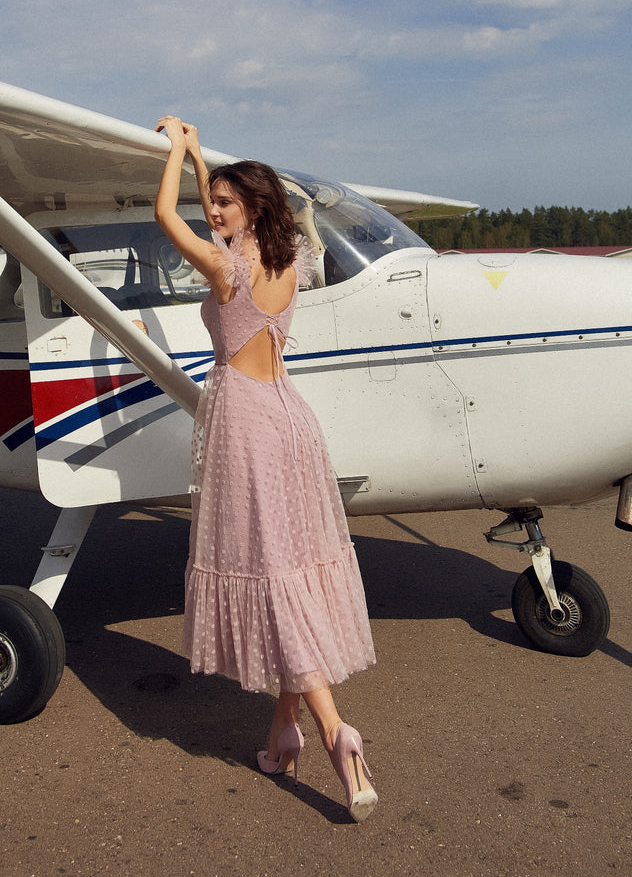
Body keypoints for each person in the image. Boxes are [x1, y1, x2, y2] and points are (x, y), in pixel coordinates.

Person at [154, 115, 378, 822]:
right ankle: (282, 737)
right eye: (210, 202)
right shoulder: (289, 261)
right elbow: (216, 218)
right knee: (292, 563)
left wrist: (175, 151)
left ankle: (335, 731)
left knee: (275, 576)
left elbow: (166, 215)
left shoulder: (226, 267)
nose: (211, 212)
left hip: (245, 423)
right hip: (290, 416)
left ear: (248, 209)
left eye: (223, 204)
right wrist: (201, 159)